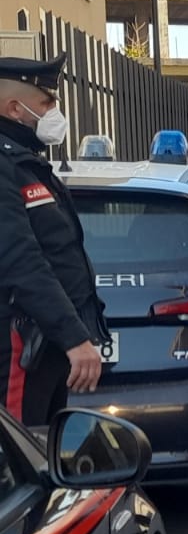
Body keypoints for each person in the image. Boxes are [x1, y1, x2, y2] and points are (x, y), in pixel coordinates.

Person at [0, 52, 106, 423]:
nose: (55, 113)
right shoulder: (6, 165)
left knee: (44, 454)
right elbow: (21, 260)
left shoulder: (27, 161)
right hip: (21, 343)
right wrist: (74, 337)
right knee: (18, 457)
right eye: (47, 103)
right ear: (15, 109)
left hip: (47, 345)